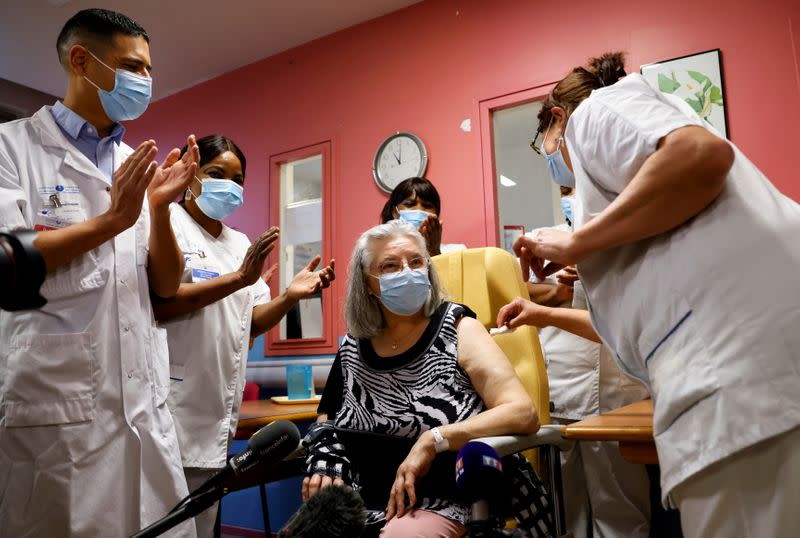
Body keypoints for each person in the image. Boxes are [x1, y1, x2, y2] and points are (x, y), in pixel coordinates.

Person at [511, 51, 800, 537]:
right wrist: (589, 260)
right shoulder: (641, 186)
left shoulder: (594, 113)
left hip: (742, 385)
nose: (554, 161)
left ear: (556, 118)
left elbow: (698, 156)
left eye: (545, 146)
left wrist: (577, 241)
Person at [0, 8, 199, 537]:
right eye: (133, 66)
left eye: (150, 70)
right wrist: (112, 220)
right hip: (58, 415)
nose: (147, 82)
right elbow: (9, 263)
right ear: (82, 61)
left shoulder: (139, 163)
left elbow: (164, 288)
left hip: (145, 411)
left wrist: (157, 211)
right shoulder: (12, 147)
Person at [301, 220, 553, 537]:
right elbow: (328, 419)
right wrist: (324, 454)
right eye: (390, 266)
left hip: (443, 497)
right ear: (367, 284)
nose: (407, 272)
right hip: (363, 498)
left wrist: (433, 440)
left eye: (416, 262)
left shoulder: (458, 328)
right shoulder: (354, 346)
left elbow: (523, 413)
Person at [152, 134, 335, 536]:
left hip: (216, 407)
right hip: (168, 404)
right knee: (164, 525)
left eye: (237, 180)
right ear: (189, 175)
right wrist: (239, 280)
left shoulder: (239, 244)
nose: (228, 187)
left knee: (201, 524)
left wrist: (289, 296)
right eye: (216, 174)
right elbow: (162, 301)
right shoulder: (168, 225)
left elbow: (250, 321)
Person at [507, 187, 651, 538]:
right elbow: (518, 293)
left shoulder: (630, 237)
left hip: (616, 390)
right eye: (567, 189)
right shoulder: (547, 242)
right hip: (562, 385)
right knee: (564, 509)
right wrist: (560, 289)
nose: (574, 195)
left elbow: (626, 320)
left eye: (579, 186)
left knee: (619, 506)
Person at [379, 177, 465, 256]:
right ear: (395, 212)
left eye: (427, 205)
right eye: (410, 204)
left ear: (436, 213)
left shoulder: (457, 252)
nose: (419, 210)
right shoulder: (381, 254)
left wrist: (434, 251)